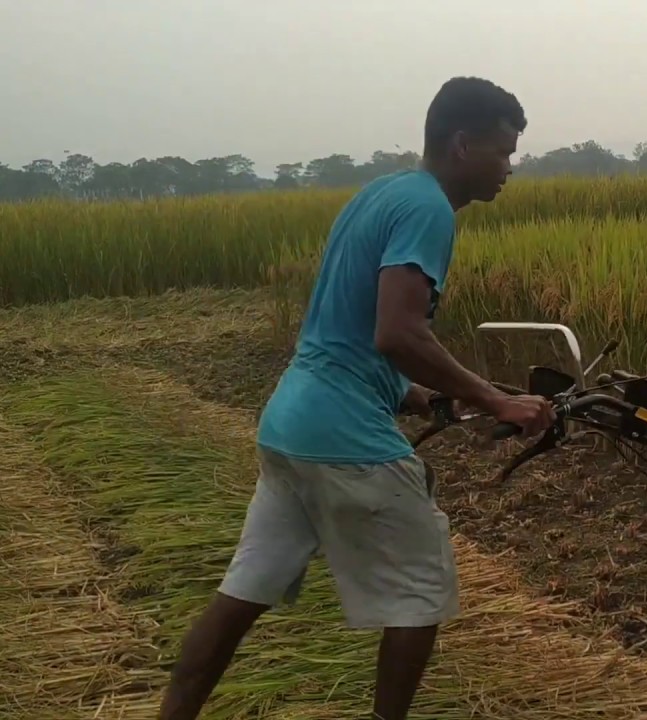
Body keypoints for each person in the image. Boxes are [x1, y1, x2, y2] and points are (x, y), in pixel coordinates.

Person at [157, 76, 556, 720]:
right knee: (422, 592)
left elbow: (345, 333)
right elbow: (397, 331)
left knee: (242, 594)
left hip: (291, 426)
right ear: (462, 144)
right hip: (344, 442)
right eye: (504, 151)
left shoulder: (382, 194)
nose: (510, 167)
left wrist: (434, 399)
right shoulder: (428, 209)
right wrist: (498, 399)